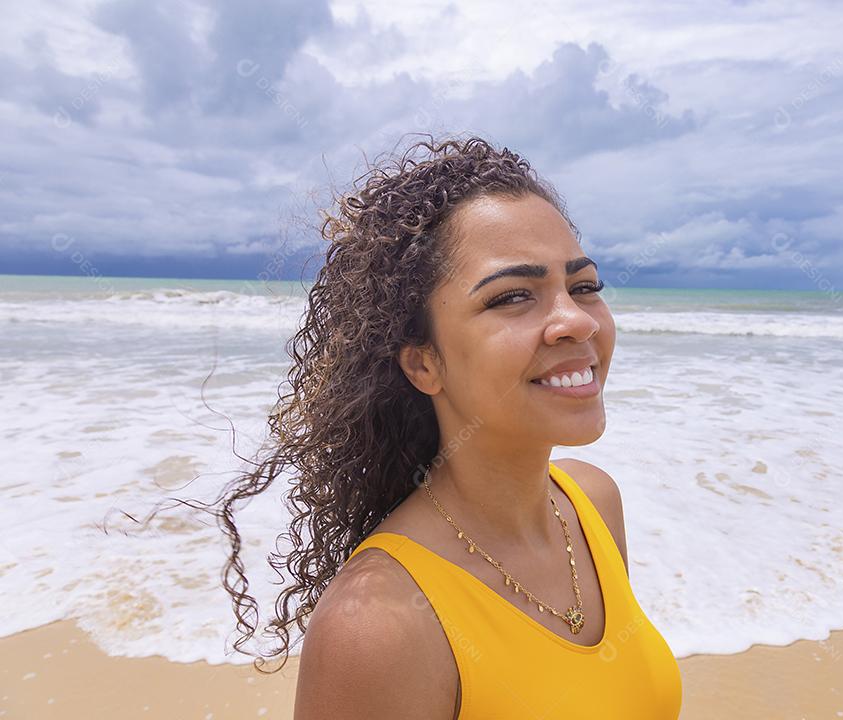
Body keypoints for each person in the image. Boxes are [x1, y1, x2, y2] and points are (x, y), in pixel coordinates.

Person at [205, 133, 683, 718]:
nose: (577, 321)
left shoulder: (593, 503)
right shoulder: (379, 624)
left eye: (584, 287)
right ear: (423, 363)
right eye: (513, 297)